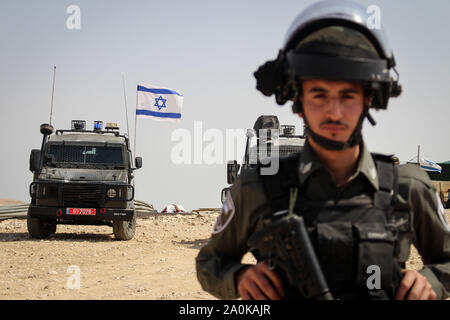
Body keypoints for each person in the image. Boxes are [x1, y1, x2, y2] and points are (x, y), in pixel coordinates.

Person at [196, 0, 450, 300]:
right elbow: (210, 262)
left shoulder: (407, 187)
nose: (334, 111)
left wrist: (428, 282)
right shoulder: (257, 188)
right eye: (319, 94)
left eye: (347, 95)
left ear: (369, 99)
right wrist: (239, 278)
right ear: (298, 99)